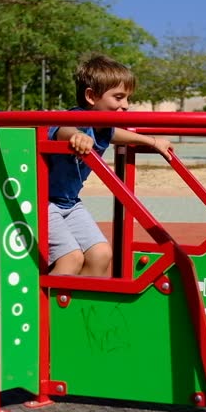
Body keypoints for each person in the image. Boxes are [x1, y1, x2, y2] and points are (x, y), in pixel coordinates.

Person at [47, 54, 172, 277]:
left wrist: (152, 142)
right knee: (71, 258)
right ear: (91, 96)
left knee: (102, 254)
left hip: (70, 203)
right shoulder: (75, 119)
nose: (125, 105)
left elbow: (118, 135)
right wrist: (76, 136)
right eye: (118, 97)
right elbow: (62, 129)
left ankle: (80, 310)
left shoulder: (103, 126)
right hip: (44, 204)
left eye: (127, 99)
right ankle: (41, 311)